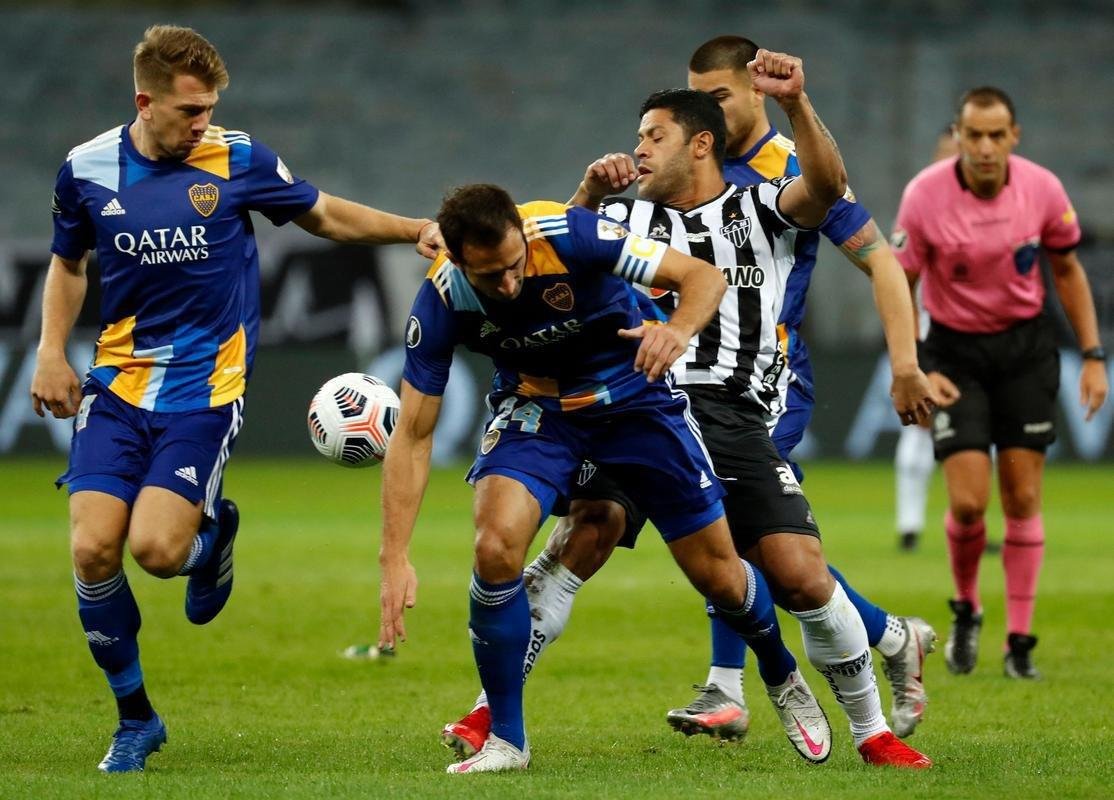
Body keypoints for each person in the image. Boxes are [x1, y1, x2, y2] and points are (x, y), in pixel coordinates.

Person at [443, 53, 933, 768]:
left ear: (699, 143)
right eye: (638, 136)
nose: (637, 148)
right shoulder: (620, 214)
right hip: (628, 403)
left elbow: (827, 191)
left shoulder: (761, 203)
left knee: (794, 572)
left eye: (653, 136)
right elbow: (543, 269)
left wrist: (798, 103)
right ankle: (497, 709)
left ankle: (867, 725)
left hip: (730, 410)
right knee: (589, 528)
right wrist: (582, 191)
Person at [30, 25, 442, 773]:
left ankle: (209, 536)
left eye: (211, 108)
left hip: (205, 393)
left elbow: (322, 213)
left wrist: (414, 228)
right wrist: (51, 351)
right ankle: (136, 720)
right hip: (117, 386)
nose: (204, 123)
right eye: (190, 111)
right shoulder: (85, 169)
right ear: (144, 101)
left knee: (155, 553)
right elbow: (68, 263)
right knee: (92, 550)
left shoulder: (237, 157)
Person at [379, 182, 792, 774]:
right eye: (489, 277)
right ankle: (507, 741)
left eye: (513, 266)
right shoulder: (443, 298)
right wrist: (393, 557)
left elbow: (701, 276)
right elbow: (414, 436)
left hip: (633, 400)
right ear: (456, 257)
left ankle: (780, 671)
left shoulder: (572, 235)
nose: (509, 285)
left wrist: (673, 332)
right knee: (495, 545)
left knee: (717, 572)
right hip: (540, 412)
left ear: (522, 236)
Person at [892, 86, 1108, 679]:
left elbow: (1066, 269)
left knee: (1023, 499)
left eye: (996, 135)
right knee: (967, 503)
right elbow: (898, 282)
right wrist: (915, 365)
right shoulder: (923, 196)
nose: (984, 147)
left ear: (1013, 137)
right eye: (973, 135)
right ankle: (967, 606)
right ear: (958, 136)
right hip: (953, 357)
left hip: (1024, 352)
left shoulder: (1041, 189)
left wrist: (1092, 355)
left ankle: (1019, 642)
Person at [895, 126, 960, 552]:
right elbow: (899, 276)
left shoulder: (995, 202)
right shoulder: (921, 203)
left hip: (975, 333)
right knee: (921, 424)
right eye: (949, 152)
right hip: (926, 331)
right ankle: (910, 526)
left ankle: (965, 521)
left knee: (978, 426)